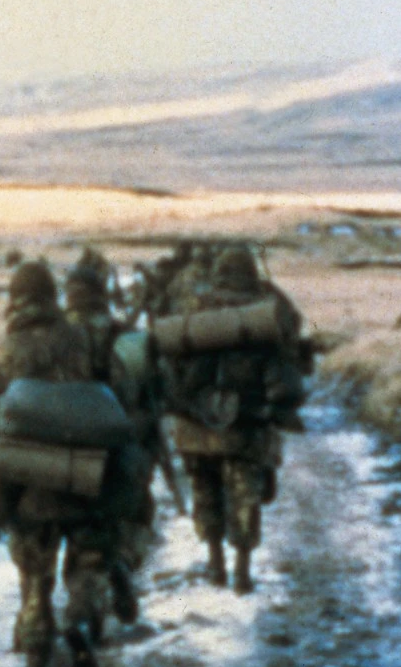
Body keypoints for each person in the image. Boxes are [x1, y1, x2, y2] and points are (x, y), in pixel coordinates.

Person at [0, 260, 101, 667]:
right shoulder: (80, 339)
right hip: (81, 471)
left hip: (27, 483)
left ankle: (35, 666)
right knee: (83, 560)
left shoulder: (5, 350)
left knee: (35, 579)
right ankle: (79, 622)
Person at [155, 242, 309, 592]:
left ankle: (214, 563)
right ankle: (242, 570)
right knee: (245, 494)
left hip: (196, 425)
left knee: (205, 490)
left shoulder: (196, 306)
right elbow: (290, 353)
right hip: (248, 422)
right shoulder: (266, 309)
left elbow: (171, 361)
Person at [61, 248, 148, 633]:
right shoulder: (124, 337)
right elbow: (139, 396)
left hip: (52, 455)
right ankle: (89, 610)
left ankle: (70, 621)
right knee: (121, 522)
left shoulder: (51, 337)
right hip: (108, 458)